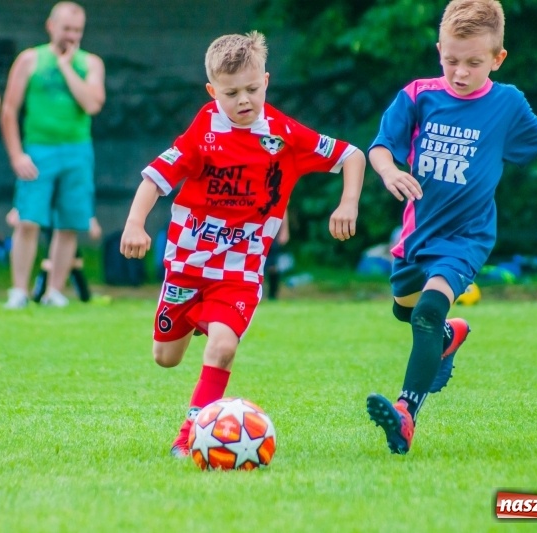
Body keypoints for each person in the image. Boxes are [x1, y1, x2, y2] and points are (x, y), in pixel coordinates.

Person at [366, 0, 537, 455]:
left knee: (428, 311)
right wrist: (389, 171)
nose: (460, 72)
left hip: (466, 237)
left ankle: (406, 412)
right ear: (438, 51)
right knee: (406, 312)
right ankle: (449, 337)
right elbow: (380, 147)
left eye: (473, 62)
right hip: (417, 236)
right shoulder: (417, 95)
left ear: (497, 58)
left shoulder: (506, 103)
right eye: (451, 60)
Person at [120, 31, 364, 458]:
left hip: (240, 272)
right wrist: (135, 224)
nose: (244, 100)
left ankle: (189, 436)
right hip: (188, 265)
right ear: (213, 92)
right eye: (231, 93)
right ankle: (199, 318)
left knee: (224, 346)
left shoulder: (283, 133)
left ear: (266, 81)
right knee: (166, 357)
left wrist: (348, 203)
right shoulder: (204, 130)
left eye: (252, 89)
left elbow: (352, 156)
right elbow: (156, 176)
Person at [0, 1, 105, 309]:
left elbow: (92, 104)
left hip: (78, 151)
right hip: (38, 149)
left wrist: (65, 66)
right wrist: (17, 155)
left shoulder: (91, 63)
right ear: (51, 26)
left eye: (77, 30)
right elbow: (9, 110)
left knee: (69, 222)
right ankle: (19, 290)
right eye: (66, 29)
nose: (71, 36)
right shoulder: (30, 59)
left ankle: (54, 292)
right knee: (28, 220)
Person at [264, 209, 289, 300]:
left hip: (272, 232)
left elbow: (284, 209)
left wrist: (285, 231)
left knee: (272, 266)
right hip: (255, 230)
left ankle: (272, 295)